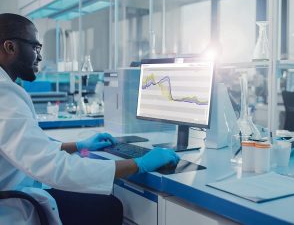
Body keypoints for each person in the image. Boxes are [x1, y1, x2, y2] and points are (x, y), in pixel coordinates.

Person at [0, 13, 180, 225]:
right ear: (10, 47)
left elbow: (28, 149)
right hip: (14, 207)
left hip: (16, 191)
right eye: (35, 47)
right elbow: (54, 167)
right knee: (109, 206)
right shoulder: (4, 94)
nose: (39, 57)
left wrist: (78, 146)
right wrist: (139, 164)